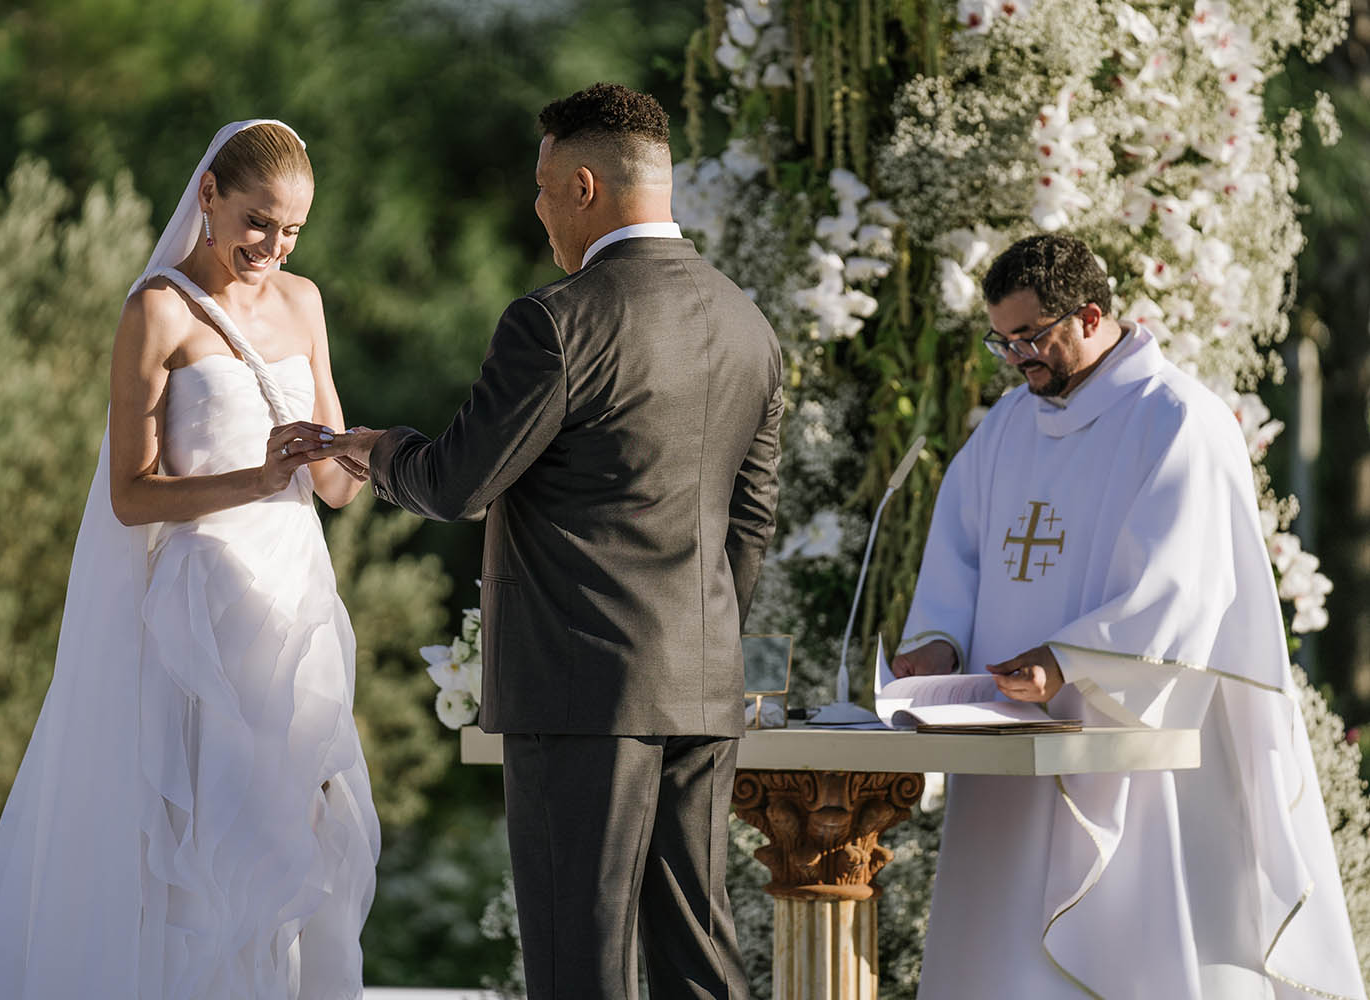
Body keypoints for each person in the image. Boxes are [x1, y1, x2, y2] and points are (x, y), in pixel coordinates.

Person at [330, 83, 782, 999]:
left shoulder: (556, 323)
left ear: (584, 186)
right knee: (699, 951)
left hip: (580, 695)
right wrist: (701, 642)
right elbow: (752, 520)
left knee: (582, 956)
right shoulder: (750, 323)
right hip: (702, 684)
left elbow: (458, 481)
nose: (534, 209)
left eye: (541, 188)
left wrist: (375, 450)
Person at [0, 120, 380, 999]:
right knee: (199, 837)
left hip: (294, 601)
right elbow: (131, 495)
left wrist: (360, 453)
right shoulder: (158, 309)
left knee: (294, 831)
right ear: (209, 196)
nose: (274, 246)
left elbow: (335, 490)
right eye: (258, 220)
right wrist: (258, 477)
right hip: (200, 612)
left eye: (292, 230)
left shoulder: (306, 302)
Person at [892, 233, 1364, 999]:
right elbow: (959, 554)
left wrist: (1070, 661)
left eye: (1030, 338)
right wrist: (939, 644)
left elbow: (1186, 585)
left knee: (1133, 942)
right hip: (1009, 741)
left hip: (1131, 733)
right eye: (1002, 341)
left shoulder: (1177, 418)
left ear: (1089, 314)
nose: (1016, 359)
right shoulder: (1009, 425)